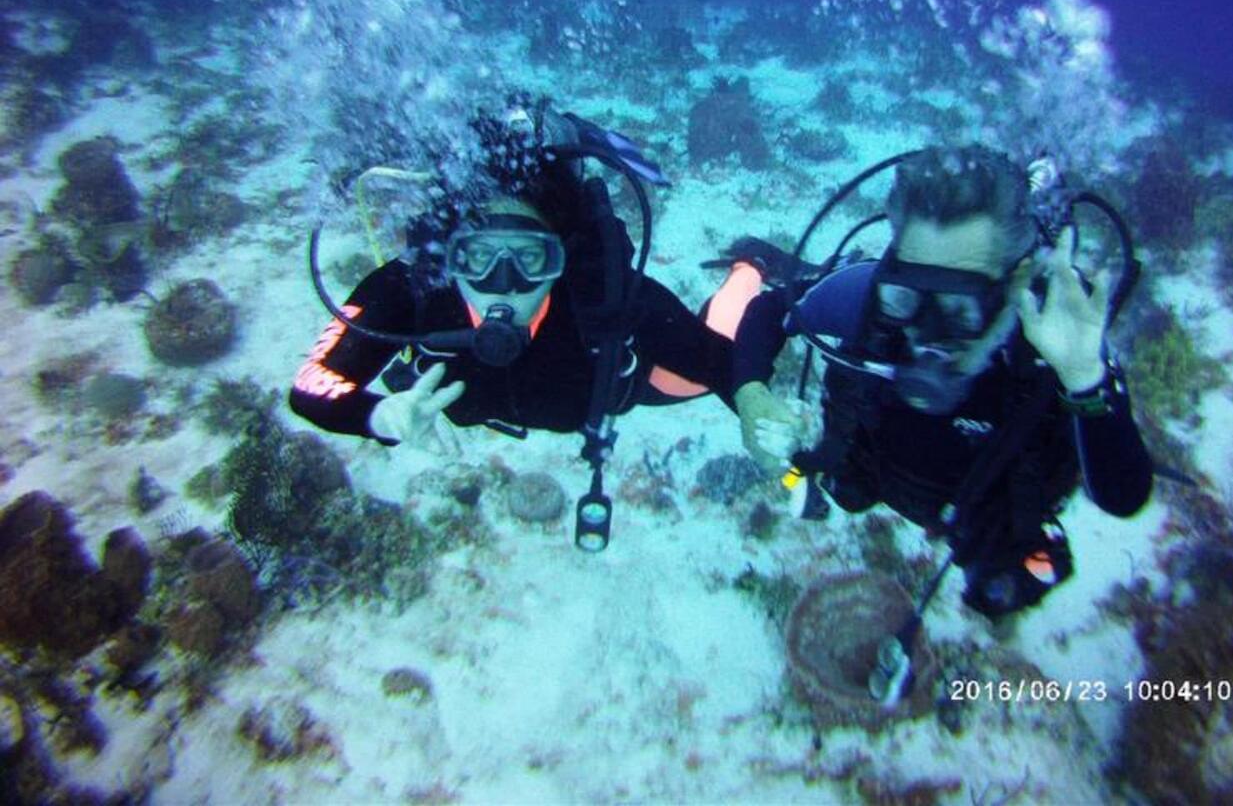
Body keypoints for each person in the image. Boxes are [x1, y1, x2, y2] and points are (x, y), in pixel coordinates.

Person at [731, 144, 1153, 636]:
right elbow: (768, 313)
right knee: (846, 490)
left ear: (1014, 284)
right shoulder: (866, 299)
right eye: (907, 294)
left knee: (998, 593)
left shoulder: (1052, 345)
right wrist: (749, 393)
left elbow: (1124, 496)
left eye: (959, 307)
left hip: (989, 511)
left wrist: (1085, 377)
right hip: (882, 474)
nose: (924, 334)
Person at [290, 104, 761, 525]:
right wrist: (378, 418)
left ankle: (750, 269)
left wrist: (756, 403)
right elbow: (311, 386)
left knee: (706, 365)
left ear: (559, 259)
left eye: (530, 260)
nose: (503, 284)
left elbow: (724, 365)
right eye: (478, 258)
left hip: (628, 387)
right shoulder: (416, 286)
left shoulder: (599, 287)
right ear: (451, 259)